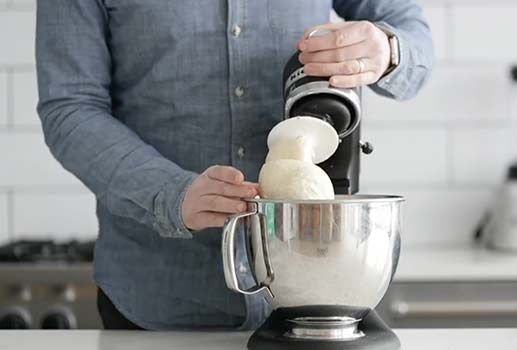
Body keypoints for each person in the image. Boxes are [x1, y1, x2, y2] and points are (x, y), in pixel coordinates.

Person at [35, 0, 434, 330]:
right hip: (157, 303)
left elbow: (410, 30)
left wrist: (388, 49)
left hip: (315, 293)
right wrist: (167, 192)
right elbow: (70, 107)